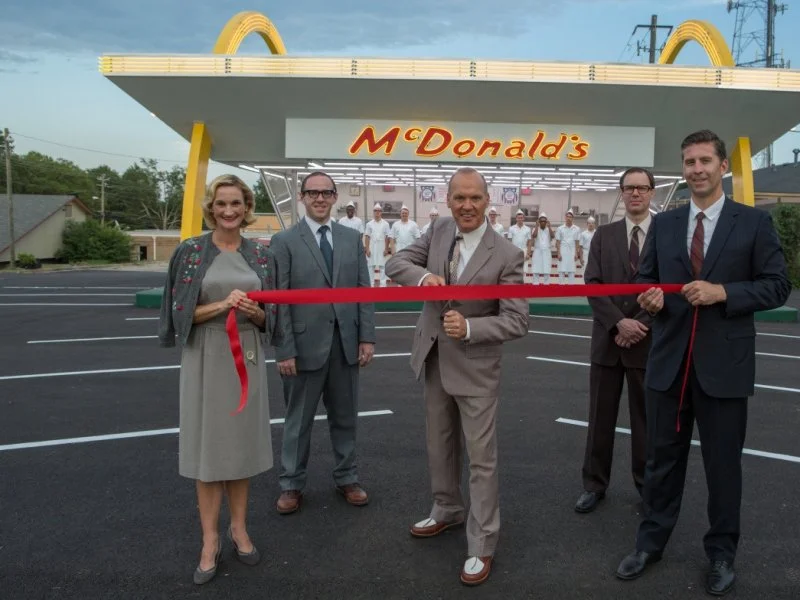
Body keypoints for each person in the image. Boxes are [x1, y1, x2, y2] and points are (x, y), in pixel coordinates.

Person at [616, 130, 791, 596]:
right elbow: (647, 279)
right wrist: (649, 298)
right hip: (669, 364)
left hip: (725, 367)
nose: (696, 169)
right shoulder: (666, 224)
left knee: (723, 468)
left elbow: (777, 285)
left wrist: (724, 292)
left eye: (705, 161)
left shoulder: (753, 223)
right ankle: (649, 544)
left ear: (722, 167)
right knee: (661, 462)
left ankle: (721, 554)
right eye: (689, 162)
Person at [385, 167, 529, 587]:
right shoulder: (439, 230)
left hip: (476, 368)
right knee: (440, 445)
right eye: (459, 198)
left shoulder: (507, 254)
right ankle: (447, 508)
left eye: (475, 198)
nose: (467, 205)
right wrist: (423, 277)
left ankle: (482, 542)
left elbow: (517, 320)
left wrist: (470, 328)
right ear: (447, 200)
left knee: (482, 460)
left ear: (488, 202)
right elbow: (396, 262)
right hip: (433, 359)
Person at [158, 174, 275, 585]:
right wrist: (223, 305)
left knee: (239, 448)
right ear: (211, 207)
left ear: (247, 208)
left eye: (236, 203)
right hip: (205, 354)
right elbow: (179, 312)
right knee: (208, 453)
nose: (229, 211)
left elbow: (271, 317)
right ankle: (209, 540)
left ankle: (239, 529)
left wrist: (256, 313)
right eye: (221, 203)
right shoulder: (191, 252)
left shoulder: (261, 255)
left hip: (247, 354)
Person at [270, 171, 377, 516]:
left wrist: (366, 336)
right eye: (313, 192)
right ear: (302, 197)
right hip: (302, 349)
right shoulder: (284, 241)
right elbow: (277, 299)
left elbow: (363, 291)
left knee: (345, 418)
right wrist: (284, 348)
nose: (319, 198)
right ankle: (291, 483)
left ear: (334, 197)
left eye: (326, 192)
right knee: (297, 422)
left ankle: (348, 477)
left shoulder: (351, 238)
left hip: (345, 344)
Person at [575, 168, 654, 515]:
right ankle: (594, 484)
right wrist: (618, 323)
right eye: (629, 187)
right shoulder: (604, 235)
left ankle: (648, 486)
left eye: (642, 187)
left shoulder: (665, 235)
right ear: (621, 193)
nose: (635, 193)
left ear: (651, 193)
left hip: (648, 343)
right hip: (608, 342)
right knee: (599, 419)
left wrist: (640, 324)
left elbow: (672, 286)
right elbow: (592, 284)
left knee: (646, 422)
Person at [364, 203, 392, 286]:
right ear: (373, 212)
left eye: (379, 211)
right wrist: (367, 249)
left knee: (382, 266)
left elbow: (387, 237)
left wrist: (386, 249)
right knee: (370, 266)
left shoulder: (386, 224)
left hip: (381, 246)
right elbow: (367, 237)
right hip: (372, 246)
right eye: (375, 211)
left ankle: (383, 285)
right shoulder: (369, 224)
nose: (377, 212)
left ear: (381, 212)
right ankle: (371, 285)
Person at [556, 209, 581, 284]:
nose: (568, 218)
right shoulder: (560, 228)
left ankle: (571, 288)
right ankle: (561, 288)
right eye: (567, 216)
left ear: (573, 218)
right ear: (565, 217)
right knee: (561, 270)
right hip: (562, 250)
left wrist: (576, 253)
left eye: (570, 217)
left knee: (571, 271)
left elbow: (577, 242)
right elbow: (558, 242)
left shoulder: (577, 229)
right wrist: (558, 253)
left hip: (572, 251)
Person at [507, 209, 532, 281]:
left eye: (521, 218)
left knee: (524, 270)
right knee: (514, 270)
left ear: (523, 218)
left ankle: (523, 285)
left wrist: (528, 253)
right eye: (518, 218)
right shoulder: (511, 228)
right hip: (514, 252)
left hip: (524, 251)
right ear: (516, 218)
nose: (520, 219)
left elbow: (529, 242)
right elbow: (509, 241)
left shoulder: (527, 229)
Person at [532, 213, 554, 285]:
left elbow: (553, 236)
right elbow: (534, 236)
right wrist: (536, 226)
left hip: (547, 252)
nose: (543, 222)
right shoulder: (535, 229)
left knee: (547, 270)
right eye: (541, 221)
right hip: (537, 252)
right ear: (539, 221)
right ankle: (535, 285)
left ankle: (546, 286)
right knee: (536, 270)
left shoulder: (549, 229)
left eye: (544, 221)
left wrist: (549, 227)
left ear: (546, 222)